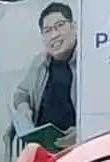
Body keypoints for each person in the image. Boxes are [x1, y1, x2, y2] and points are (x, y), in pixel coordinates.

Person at [11, 1, 78, 153]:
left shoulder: (89, 62)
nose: (54, 35)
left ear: (74, 26)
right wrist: (24, 108)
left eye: (60, 26)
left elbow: (103, 112)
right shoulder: (40, 62)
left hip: (79, 153)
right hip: (44, 152)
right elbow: (21, 93)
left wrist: (82, 132)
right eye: (47, 30)